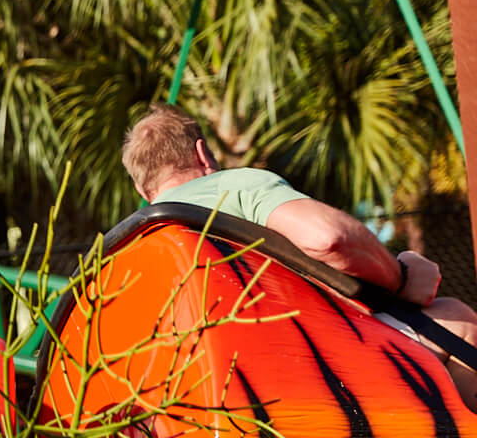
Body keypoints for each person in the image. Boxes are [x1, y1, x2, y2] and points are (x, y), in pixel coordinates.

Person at [122, 101, 477, 408]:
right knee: (458, 320)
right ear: (203, 154)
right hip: (301, 368)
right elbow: (328, 239)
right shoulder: (236, 185)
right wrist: (400, 278)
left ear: (142, 188)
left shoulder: (130, 244)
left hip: (194, 387)